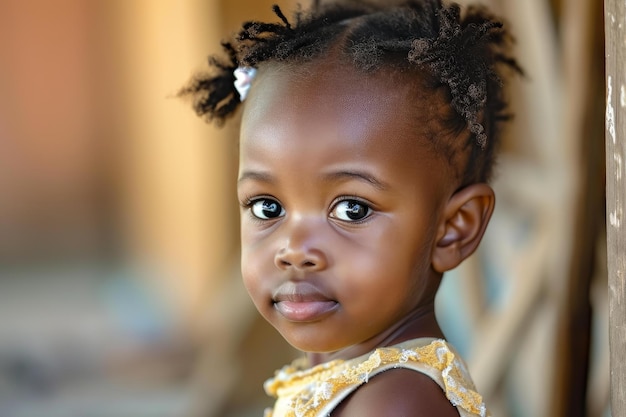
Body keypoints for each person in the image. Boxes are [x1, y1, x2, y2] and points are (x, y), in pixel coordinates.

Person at [180, 1, 522, 415]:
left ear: (453, 227)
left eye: (351, 210)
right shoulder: (358, 382)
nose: (293, 250)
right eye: (267, 207)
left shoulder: (396, 405)